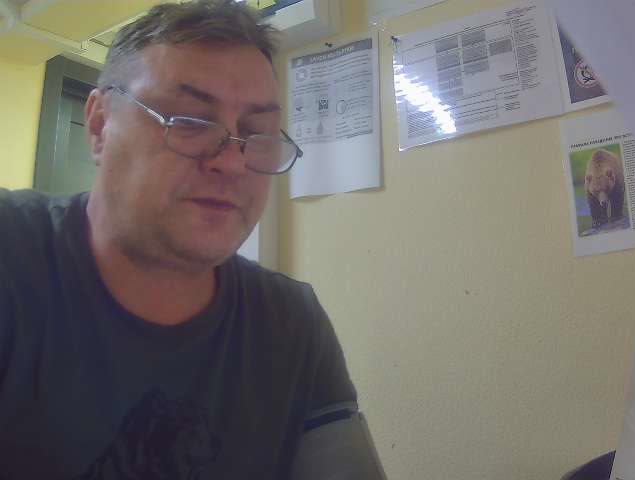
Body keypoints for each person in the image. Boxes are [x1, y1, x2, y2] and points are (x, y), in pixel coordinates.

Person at [0, 1, 385, 478]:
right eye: (187, 120)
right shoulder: (12, 254)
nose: (232, 162)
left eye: (256, 132)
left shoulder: (290, 322)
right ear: (99, 126)